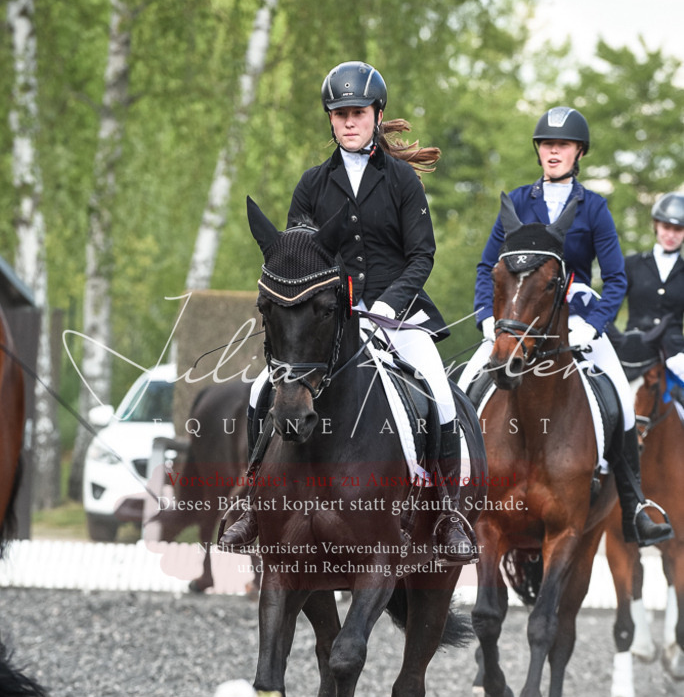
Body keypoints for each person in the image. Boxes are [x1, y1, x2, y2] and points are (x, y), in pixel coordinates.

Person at [220, 60, 477, 562]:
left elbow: (422, 255)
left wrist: (385, 305)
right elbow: (296, 256)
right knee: (258, 393)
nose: (349, 122)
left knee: (440, 391)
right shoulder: (313, 184)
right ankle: (251, 503)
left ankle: (447, 513)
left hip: (397, 314)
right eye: (339, 114)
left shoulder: (402, 181)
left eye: (358, 112)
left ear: (377, 114)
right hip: (329, 321)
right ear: (331, 120)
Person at [458, 105, 672, 548]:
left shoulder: (593, 208)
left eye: (563, 145)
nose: (554, 152)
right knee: (466, 382)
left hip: (574, 314)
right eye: (547, 145)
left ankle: (633, 506)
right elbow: (487, 266)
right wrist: (486, 317)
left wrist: (594, 326)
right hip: (517, 318)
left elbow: (614, 279)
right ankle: (453, 502)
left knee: (619, 395)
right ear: (538, 151)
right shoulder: (517, 201)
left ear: (578, 152)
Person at [623, 191, 684, 403]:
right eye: (667, 227)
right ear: (656, 225)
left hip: (674, 354)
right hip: (633, 346)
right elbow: (611, 306)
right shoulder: (632, 264)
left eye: (678, 230)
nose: (671, 235)